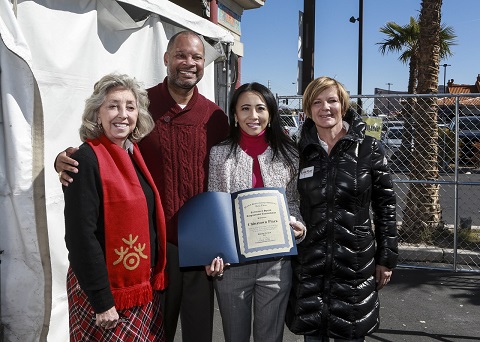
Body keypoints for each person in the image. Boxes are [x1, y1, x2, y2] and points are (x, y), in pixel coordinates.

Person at [56, 31, 230, 342]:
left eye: (197, 57)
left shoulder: (215, 117)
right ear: (166, 59)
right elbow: (105, 153)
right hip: (153, 251)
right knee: (153, 333)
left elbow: (226, 177)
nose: (188, 63)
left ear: (204, 63)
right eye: (180, 55)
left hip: (202, 248)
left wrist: (223, 241)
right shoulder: (143, 104)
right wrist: (64, 158)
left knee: (199, 333)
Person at [285, 76, 399, 342]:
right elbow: (288, 200)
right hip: (310, 263)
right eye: (317, 102)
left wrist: (386, 259)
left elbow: (386, 207)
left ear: (343, 105)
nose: (325, 107)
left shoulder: (369, 149)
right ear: (308, 109)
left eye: (332, 100)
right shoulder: (299, 152)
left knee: (350, 334)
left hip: (355, 265)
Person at [63, 73, 167, 341]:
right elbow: (80, 237)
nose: (122, 114)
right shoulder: (85, 159)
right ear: (97, 114)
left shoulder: (134, 155)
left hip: (137, 288)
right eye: (113, 106)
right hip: (104, 291)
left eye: (130, 107)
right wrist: (102, 300)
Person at [204, 82, 306, 342]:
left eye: (260, 108)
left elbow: (294, 202)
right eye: (245, 108)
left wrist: (299, 227)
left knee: (270, 338)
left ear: (270, 113)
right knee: (234, 337)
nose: (253, 116)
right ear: (235, 114)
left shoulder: (289, 154)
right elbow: (217, 209)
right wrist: (216, 251)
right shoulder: (220, 154)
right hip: (233, 265)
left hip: (276, 264)